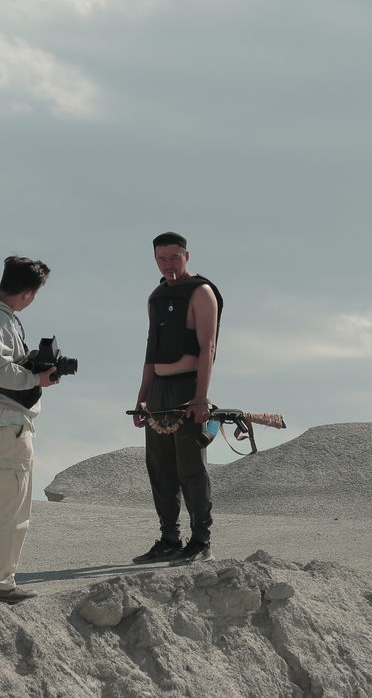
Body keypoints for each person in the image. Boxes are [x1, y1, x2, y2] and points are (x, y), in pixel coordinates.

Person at [0, 255, 59, 604]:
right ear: (29, 293)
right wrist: (35, 379)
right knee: (13, 508)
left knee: (4, 504)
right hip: (7, 423)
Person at [131, 231, 222, 565]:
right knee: (159, 466)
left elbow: (207, 347)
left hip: (188, 387)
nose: (168, 264)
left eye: (174, 257)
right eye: (161, 258)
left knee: (190, 467)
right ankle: (169, 538)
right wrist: (142, 397)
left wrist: (201, 398)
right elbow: (151, 350)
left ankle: (201, 540)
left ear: (186, 256)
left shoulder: (201, 292)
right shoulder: (155, 297)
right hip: (159, 389)